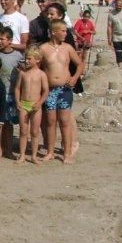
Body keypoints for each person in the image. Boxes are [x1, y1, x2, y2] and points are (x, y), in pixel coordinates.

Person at [40, 21, 84, 164]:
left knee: (65, 121)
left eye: (66, 31)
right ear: (54, 32)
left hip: (65, 89)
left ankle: (67, 153)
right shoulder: (44, 49)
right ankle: (50, 151)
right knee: (50, 122)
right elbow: (37, 67)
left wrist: (75, 78)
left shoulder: (68, 48)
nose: (66, 34)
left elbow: (79, 64)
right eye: (63, 31)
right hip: (50, 90)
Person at [14, 46, 49, 164]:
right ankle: (22, 155)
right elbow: (17, 88)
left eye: (29, 59)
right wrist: (18, 101)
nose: (27, 61)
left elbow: (45, 91)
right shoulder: (23, 74)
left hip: (35, 105)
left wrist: (39, 103)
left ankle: (33, 156)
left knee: (34, 132)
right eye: (26, 58)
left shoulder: (41, 74)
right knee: (23, 131)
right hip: (24, 104)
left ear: (37, 60)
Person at [0, 28, 23, 159]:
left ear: (10, 40)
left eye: (2, 39)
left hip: (12, 94)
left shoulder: (18, 56)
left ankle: (9, 150)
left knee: (9, 124)